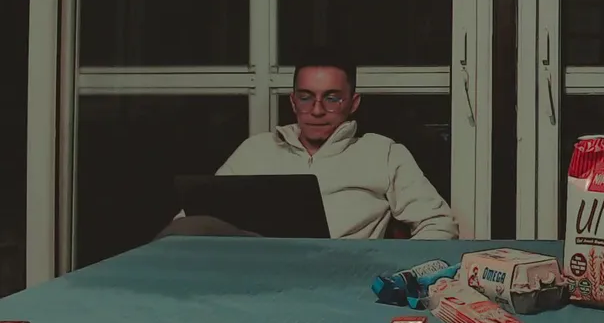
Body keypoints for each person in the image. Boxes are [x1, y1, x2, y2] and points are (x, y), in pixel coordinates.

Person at [161, 49, 458, 241]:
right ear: (293, 102)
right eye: (306, 97)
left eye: (332, 98)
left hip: (342, 275)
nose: (316, 110)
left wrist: (397, 273)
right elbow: (192, 219)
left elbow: (438, 224)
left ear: (353, 103)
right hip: (254, 273)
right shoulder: (256, 150)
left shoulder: (383, 152)